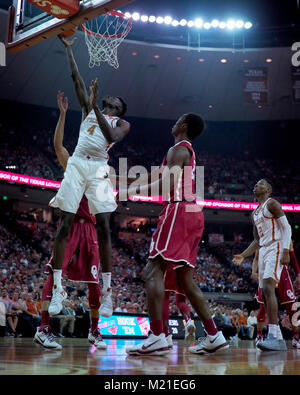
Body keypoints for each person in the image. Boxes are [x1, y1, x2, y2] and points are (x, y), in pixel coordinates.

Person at [125, 113, 229, 356]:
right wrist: (118, 181)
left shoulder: (178, 149)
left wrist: (129, 193)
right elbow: (153, 177)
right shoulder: (182, 152)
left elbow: (164, 186)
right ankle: (214, 334)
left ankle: (157, 335)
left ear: (182, 126)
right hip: (193, 214)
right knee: (184, 280)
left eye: (177, 119)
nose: (173, 122)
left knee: (152, 271)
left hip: (178, 210)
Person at [48, 36, 130, 317]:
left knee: (105, 227)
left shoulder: (121, 122)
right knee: (65, 223)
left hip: (98, 167)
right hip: (77, 163)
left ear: (117, 107)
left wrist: (95, 106)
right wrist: (69, 49)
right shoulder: (88, 107)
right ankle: (58, 289)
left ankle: (107, 293)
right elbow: (76, 78)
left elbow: (111, 137)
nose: (111, 96)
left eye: (115, 99)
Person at [34, 91, 106, 350]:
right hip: (72, 225)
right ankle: (43, 329)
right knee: (54, 275)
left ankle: (95, 331)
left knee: (94, 285)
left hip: (91, 232)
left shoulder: (101, 168)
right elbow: (58, 146)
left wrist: (93, 107)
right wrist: (64, 114)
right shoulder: (73, 163)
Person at [233, 179, 292, 351]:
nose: (255, 186)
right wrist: (243, 255)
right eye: (255, 184)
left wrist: (286, 250)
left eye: (260, 184)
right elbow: (257, 240)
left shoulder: (272, 204)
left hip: (276, 246)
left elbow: (287, 227)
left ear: (268, 189)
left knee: (268, 288)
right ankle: (278, 338)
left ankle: (273, 335)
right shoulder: (254, 213)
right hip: (264, 249)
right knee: (265, 295)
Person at [253, 240, 300, 348]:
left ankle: (296, 337)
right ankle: (259, 336)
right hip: (266, 271)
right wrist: (253, 272)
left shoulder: (285, 235)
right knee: (263, 305)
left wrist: (298, 274)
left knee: (291, 306)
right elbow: (256, 258)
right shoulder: (262, 237)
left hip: (282, 271)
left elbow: (292, 257)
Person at [162, 265, 196, 348]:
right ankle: (188, 321)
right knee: (181, 300)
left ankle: (166, 335)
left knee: (164, 296)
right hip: (188, 266)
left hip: (173, 262)